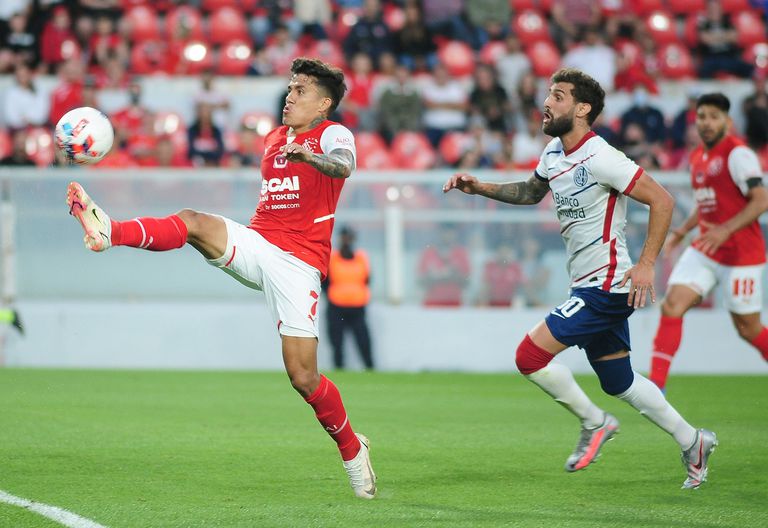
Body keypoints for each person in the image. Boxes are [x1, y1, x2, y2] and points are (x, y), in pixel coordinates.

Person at [65, 58, 376, 499]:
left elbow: (343, 165)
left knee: (303, 377)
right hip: (259, 242)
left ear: (324, 102)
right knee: (193, 221)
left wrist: (310, 154)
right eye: (290, 88)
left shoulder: (332, 133)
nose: (290, 96)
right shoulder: (272, 139)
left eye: (301, 91)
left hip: (298, 264)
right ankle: (109, 231)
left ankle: (352, 448)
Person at [443, 68, 717, 489]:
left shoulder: (603, 157)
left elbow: (662, 200)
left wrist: (646, 263)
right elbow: (532, 192)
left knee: (529, 356)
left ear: (582, 108)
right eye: (548, 94)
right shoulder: (553, 152)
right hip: (587, 284)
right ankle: (693, 441)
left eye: (558, 95)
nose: (546, 103)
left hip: (606, 285)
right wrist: (480, 187)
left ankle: (594, 423)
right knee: (619, 381)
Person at [649, 93, 768, 391]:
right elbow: (705, 203)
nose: (706, 122)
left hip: (742, 254)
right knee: (672, 305)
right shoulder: (697, 156)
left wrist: (725, 229)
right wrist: (681, 230)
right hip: (707, 249)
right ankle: (655, 388)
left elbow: (761, 200)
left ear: (727, 121)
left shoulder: (738, 154)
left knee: (748, 329)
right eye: (702, 116)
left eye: (714, 117)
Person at [324, 226, 374, 370]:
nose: (346, 240)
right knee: (337, 343)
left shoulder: (361, 258)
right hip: (336, 307)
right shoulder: (332, 258)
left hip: (357, 307)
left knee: (364, 341)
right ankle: (339, 370)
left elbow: (367, 279)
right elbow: (325, 282)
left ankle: (370, 369)